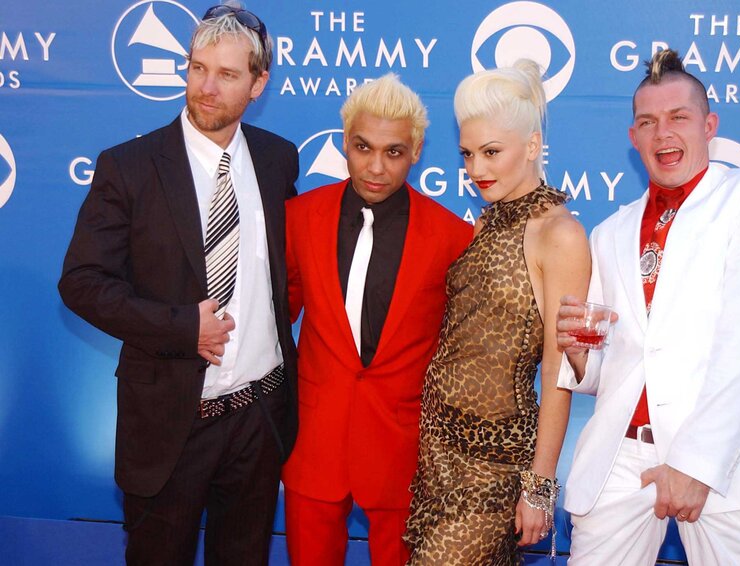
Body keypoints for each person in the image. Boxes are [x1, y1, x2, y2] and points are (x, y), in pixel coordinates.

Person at [58, 5, 298, 564]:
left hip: (259, 420)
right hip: (170, 424)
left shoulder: (277, 159)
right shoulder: (129, 166)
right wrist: (181, 326)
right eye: (197, 68)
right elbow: (82, 282)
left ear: (259, 84)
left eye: (228, 74)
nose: (206, 87)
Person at [555, 49, 740, 565]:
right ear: (633, 137)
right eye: (647, 122)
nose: (662, 134)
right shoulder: (610, 231)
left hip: (723, 459)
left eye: (678, 118)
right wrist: (579, 355)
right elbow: (609, 368)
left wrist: (697, 465)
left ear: (709, 124)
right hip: (620, 456)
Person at [404, 60, 591, 565]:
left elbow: (558, 368)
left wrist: (539, 485)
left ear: (532, 146)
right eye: (467, 154)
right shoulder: (487, 220)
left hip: (495, 462)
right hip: (438, 449)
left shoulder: (560, 235)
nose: (476, 169)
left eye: (491, 152)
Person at [281, 74, 472, 566]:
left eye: (394, 152)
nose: (376, 167)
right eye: (363, 147)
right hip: (314, 443)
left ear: (416, 151)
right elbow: (274, 321)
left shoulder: (451, 237)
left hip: (402, 450)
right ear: (345, 141)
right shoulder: (300, 218)